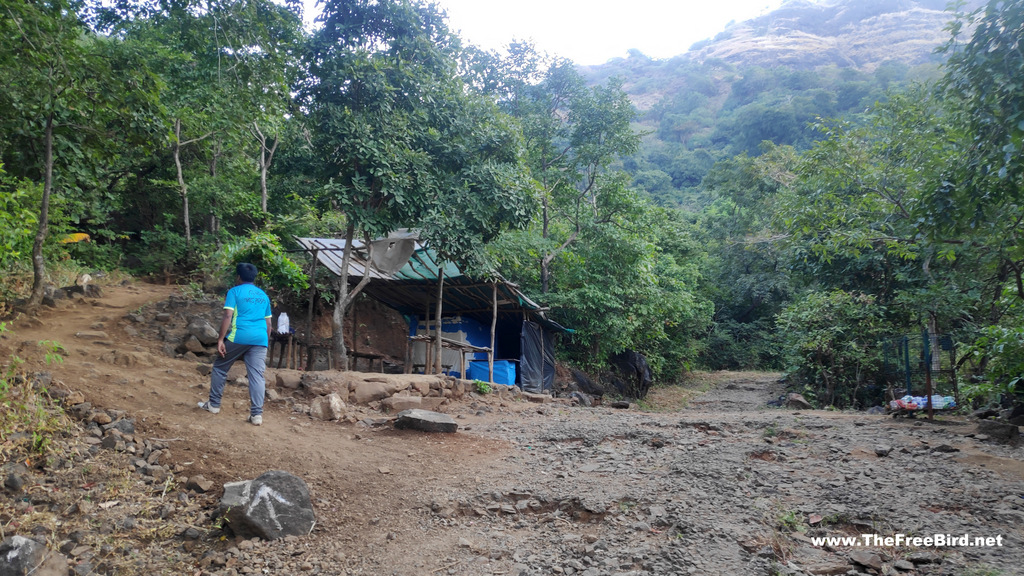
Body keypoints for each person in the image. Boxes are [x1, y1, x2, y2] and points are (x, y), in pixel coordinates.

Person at [198, 262, 272, 426]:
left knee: (219, 366)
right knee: (257, 377)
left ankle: (214, 405)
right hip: (260, 339)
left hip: (239, 336)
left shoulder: (234, 291)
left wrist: (220, 339)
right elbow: (269, 324)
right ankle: (256, 415)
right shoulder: (263, 295)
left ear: (238, 277)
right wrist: (264, 342)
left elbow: (227, 316)